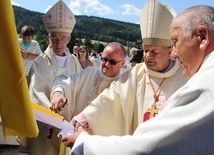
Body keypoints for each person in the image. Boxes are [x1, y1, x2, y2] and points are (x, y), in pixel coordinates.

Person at [64, 5, 214, 154]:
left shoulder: (193, 76)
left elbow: (154, 147)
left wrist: (86, 144)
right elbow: (111, 98)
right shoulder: (136, 74)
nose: (148, 56)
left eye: (154, 51)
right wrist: (85, 118)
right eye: (146, 50)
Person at [23, 1, 83, 155]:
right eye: (54, 38)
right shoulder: (40, 62)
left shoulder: (75, 62)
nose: (58, 43)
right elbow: (35, 92)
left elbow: (81, 90)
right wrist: (53, 115)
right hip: (46, 124)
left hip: (69, 121)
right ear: (48, 37)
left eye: (63, 38)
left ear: (69, 39)